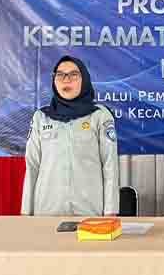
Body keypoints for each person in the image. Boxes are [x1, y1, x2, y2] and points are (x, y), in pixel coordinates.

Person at [21, 56, 119, 216]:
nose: (66, 80)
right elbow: (32, 165)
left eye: (73, 75)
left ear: (84, 79)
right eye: (60, 75)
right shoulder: (41, 117)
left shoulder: (100, 115)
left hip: (89, 209)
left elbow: (110, 165)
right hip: (46, 209)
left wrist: (110, 211)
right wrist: (26, 212)